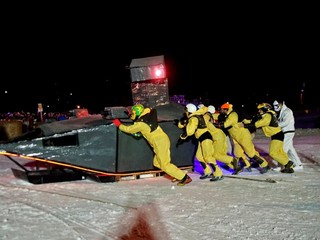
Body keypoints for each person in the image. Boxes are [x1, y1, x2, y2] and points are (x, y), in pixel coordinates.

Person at [112, 104, 192, 186]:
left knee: (165, 164)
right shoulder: (147, 116)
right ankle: (176, 174)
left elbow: (129, 129)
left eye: (133, 112)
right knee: (157, 163)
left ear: (137, 112)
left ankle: (184, 178)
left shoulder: (141, 123)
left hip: (159, 142)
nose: (131, 114)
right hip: (162, 140)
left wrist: (119, 124)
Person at [216, 102, 270, 174]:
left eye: (222, 109)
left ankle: (265, 164)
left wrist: (215, 125)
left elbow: (226, 124)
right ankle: (246, 166)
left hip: (243, 135)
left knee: (250, 152)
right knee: (237, 153)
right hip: (237, 137)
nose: (220, 111)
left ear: (226, 109)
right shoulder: (228, 115)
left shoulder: (233, 115)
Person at [241, 103, 294, 173]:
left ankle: (288, 163)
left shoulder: (267, 116)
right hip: (278, 134)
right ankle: (289, 167)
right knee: (280, 152)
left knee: (273, 153)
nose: (259, 111)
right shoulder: (267, 115)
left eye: (260, 110)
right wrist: (246, 121)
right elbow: (256, 121)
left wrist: (247, 126)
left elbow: (259, 124)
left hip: (277, 135)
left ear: (265, 109)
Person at [177, 103, 224, 181]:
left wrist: (182, 137)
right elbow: (188, 125)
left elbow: (190, 131)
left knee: (208, 157)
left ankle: (218, 173)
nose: (185, 112)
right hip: (202, 139)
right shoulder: (195, 116)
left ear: (188, 111)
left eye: (186, 110)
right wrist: (182, 123)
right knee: (199, 156)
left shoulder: (194, 118)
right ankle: (207, 171)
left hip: (206, 138)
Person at [273, 100, 303, 170]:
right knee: (290, 149)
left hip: (288, 132)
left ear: (281, 104)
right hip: (286, 132)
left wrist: (276, 125)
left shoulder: (287, 111)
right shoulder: (282, 111)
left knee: (282, 149)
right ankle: (298, 164)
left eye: (276, 105)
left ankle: (281, 166)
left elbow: (285, 122)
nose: (275, 107)